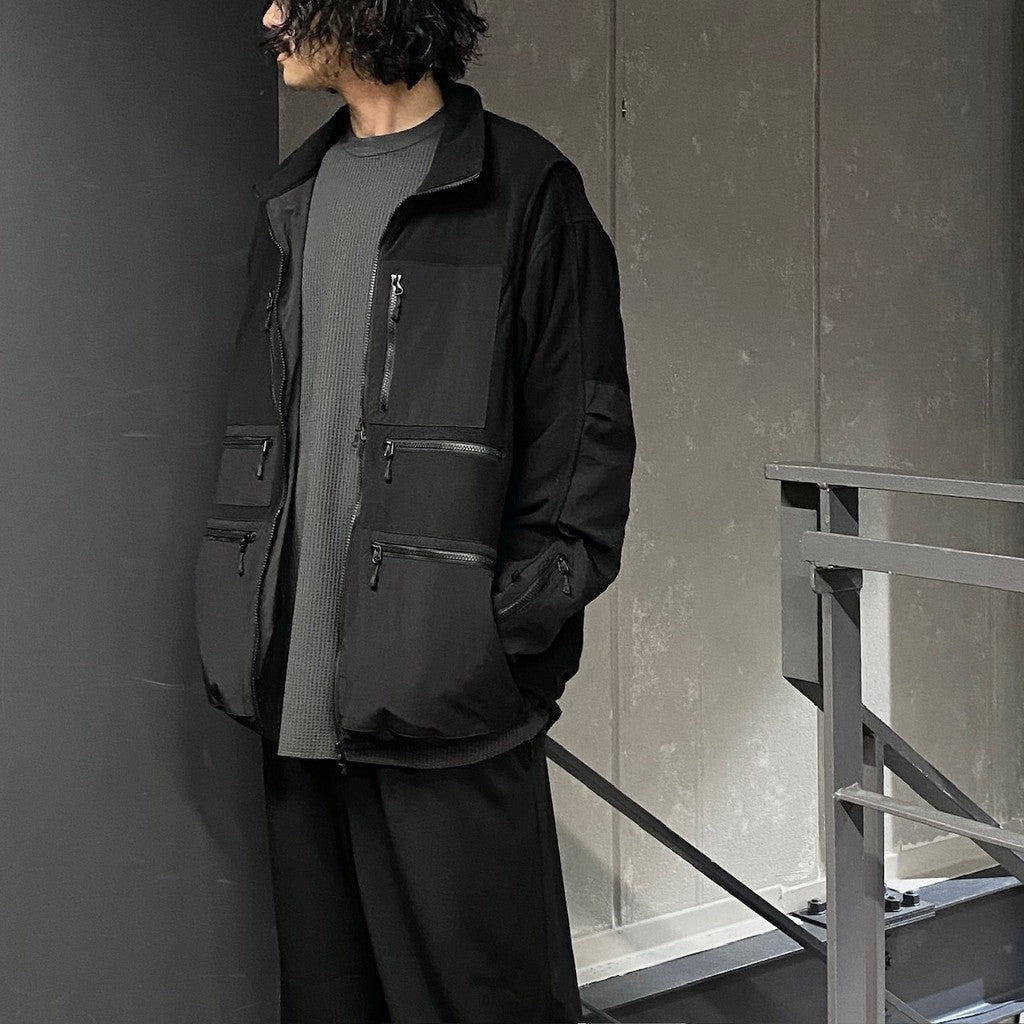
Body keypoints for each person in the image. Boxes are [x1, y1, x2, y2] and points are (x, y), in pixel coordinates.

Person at [192, 2, 636, 1020]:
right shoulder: (292, 201)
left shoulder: (525, 193)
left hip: (451, 716)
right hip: (295, 713)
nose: (270, 16)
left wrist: (481, 640)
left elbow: (582, 461)